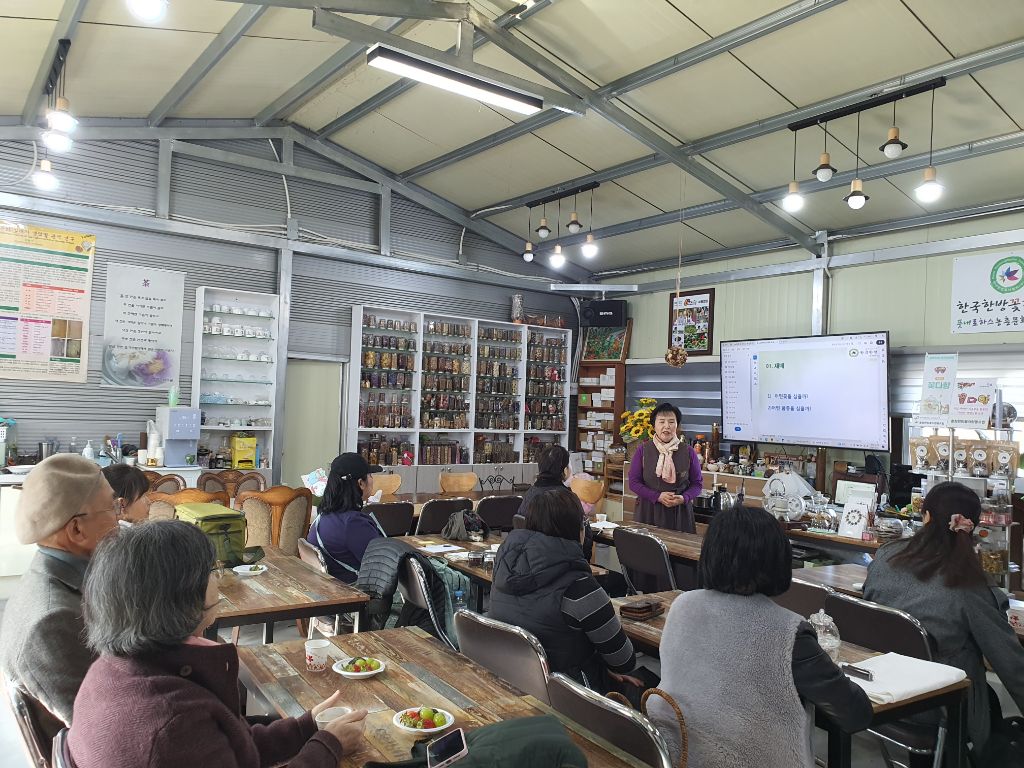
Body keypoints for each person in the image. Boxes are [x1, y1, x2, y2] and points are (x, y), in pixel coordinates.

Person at [67, 519, 367, 768]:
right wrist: (329, 746)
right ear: (181, 596)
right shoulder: (173, 724)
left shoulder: (110, 670)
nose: (219, 578)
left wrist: (305, 727)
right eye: (211, 571)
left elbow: (229, 746)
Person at [650, 504, 872, 767]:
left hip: (680, 754)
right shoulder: (788, 632)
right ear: (777, 560)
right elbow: (855, 713)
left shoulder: (683, 606)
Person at [864, 481, 1024, 757]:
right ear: (973, 527)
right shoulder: (967, 583)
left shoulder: (887, 556)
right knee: (991, 701)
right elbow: (1008, 660)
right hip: (937, 706)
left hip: (881, 690)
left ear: (925, 516)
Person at [0, 454, 120, 735]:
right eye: (112, 507)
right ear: (77, 529)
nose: (119, 519)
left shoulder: (54, 576)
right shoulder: (53, 621)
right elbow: (102, 730)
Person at [488, 486, 637, 694]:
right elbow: (624, 661)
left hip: (508, 680)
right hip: (566, 694)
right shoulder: (581, 589)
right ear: (579, 531)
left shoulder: (503, 568)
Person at [307, 452, 384, 582]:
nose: (372, 479)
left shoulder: (323, 516)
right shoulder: (354, 524)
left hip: (329, 587)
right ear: (361, 483)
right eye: (370, 475)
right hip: (355, 590)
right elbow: (384, 566)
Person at [627, 402, 703, 532]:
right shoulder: (643, 450)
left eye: (671, 422)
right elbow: (633, 482)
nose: (666, 426)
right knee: (646, 544)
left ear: (677, 425)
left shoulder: (688, 451)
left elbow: (697, 484)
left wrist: (684, 498)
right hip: (648, 510)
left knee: (679, 545)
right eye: (661, 422)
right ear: (654, 425)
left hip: (680, 513)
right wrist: (657, 496)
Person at [520, 444, 594, 560]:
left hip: (529, 560)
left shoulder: (530, 493)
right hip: (562, 563)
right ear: (565, 470)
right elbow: (584, 538)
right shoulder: (566, 498)